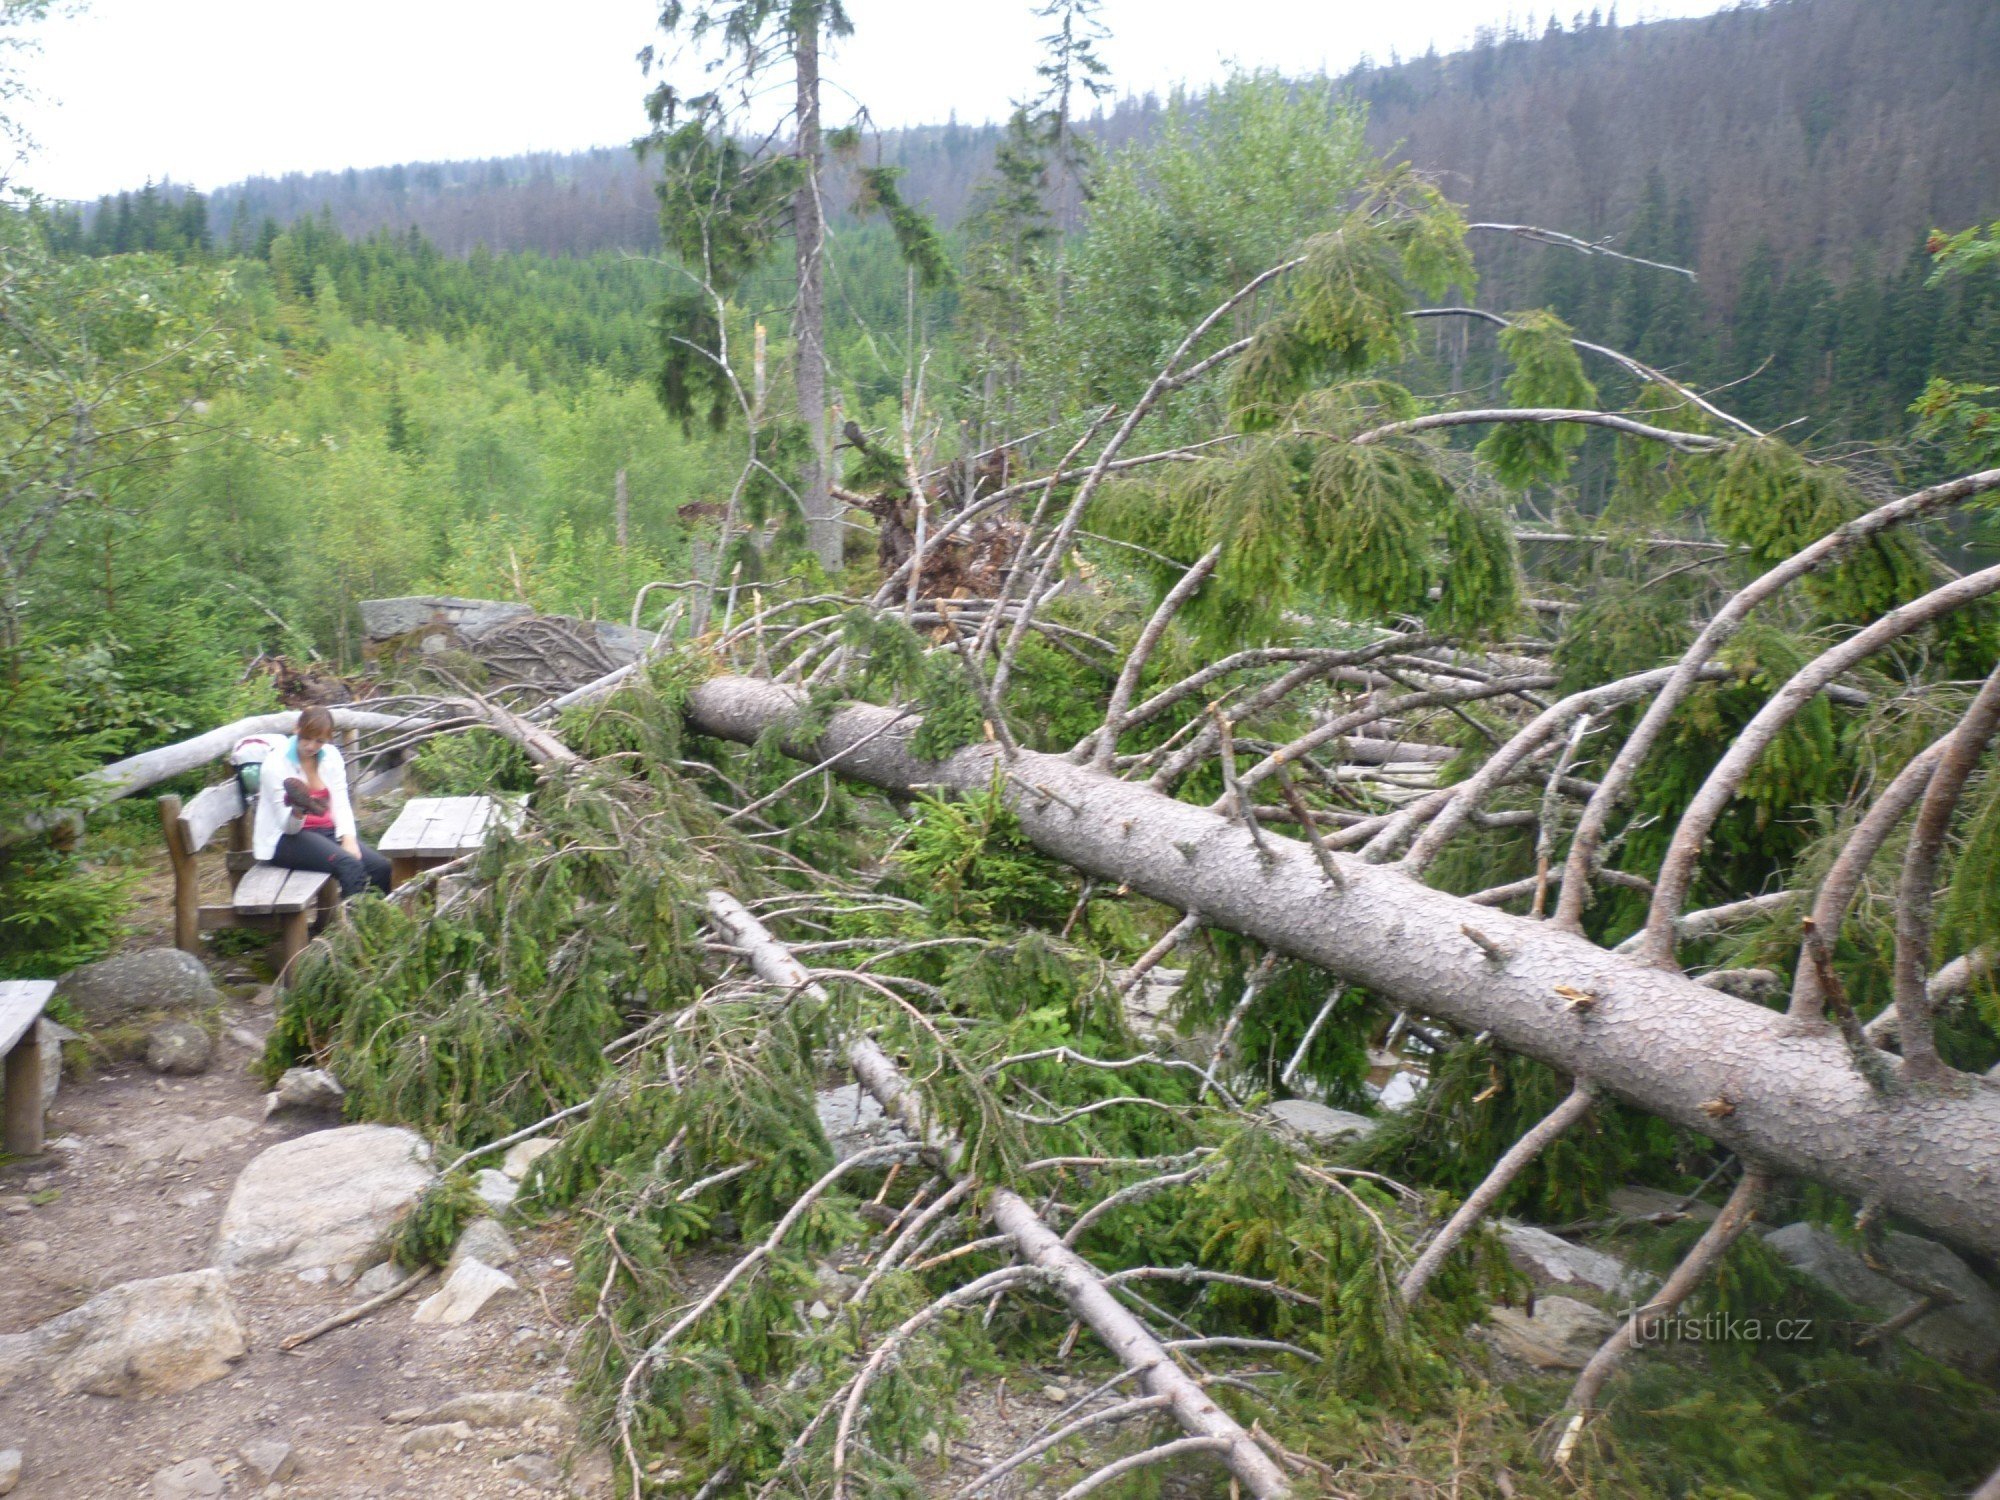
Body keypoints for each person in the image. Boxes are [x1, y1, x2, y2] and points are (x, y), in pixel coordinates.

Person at [252, 706, 391, 899]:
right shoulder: (275, 763)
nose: (311, 746)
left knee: (381, 868)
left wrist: (349, 839)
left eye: (319, 741)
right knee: (348, 865)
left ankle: (376, 924)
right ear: (296, 729)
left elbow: (341, 802)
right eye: (307, 738)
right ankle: (349, 926)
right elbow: (287, 827)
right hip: (286, 839)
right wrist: (298, 810)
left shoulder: (331, 756)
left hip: (326, 831)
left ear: (328, 739)